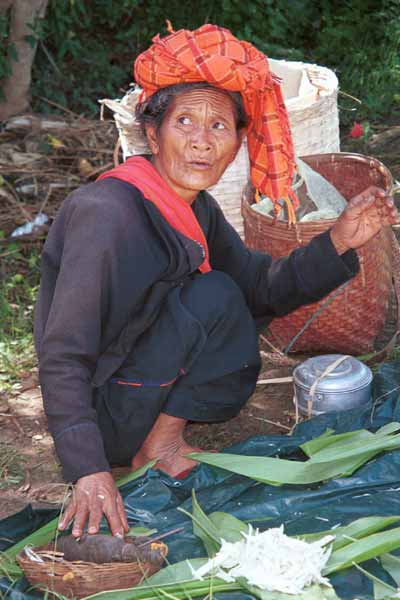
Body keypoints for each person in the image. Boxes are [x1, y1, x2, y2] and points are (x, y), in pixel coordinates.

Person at [34, 24, 398, 540]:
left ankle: (160, 441)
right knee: (214, 295)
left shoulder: (195, 209)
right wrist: (86, 469)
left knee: (226, 294)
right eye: (185, 121)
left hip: (139, 387)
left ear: (237, 144)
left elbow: (261, 288)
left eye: (219, 127)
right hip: (101, 413)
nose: (202, 142)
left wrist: (339, 240)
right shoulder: (107, 214)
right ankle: (144, 448)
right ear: (153, 133)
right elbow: (63, 352)